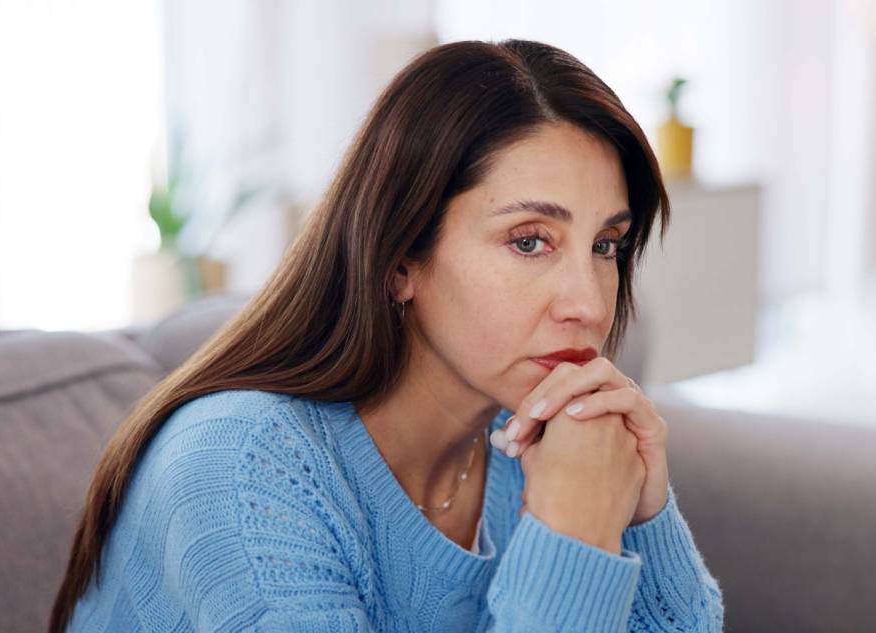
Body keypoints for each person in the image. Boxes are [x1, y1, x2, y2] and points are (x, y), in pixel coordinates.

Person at [49, 39, 724, 632]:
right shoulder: (241, 468)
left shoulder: (535, 438)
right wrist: (572, 532)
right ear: (401, 259)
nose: (588, 303)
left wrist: (642, 512)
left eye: (606, 245)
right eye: (529, 241)